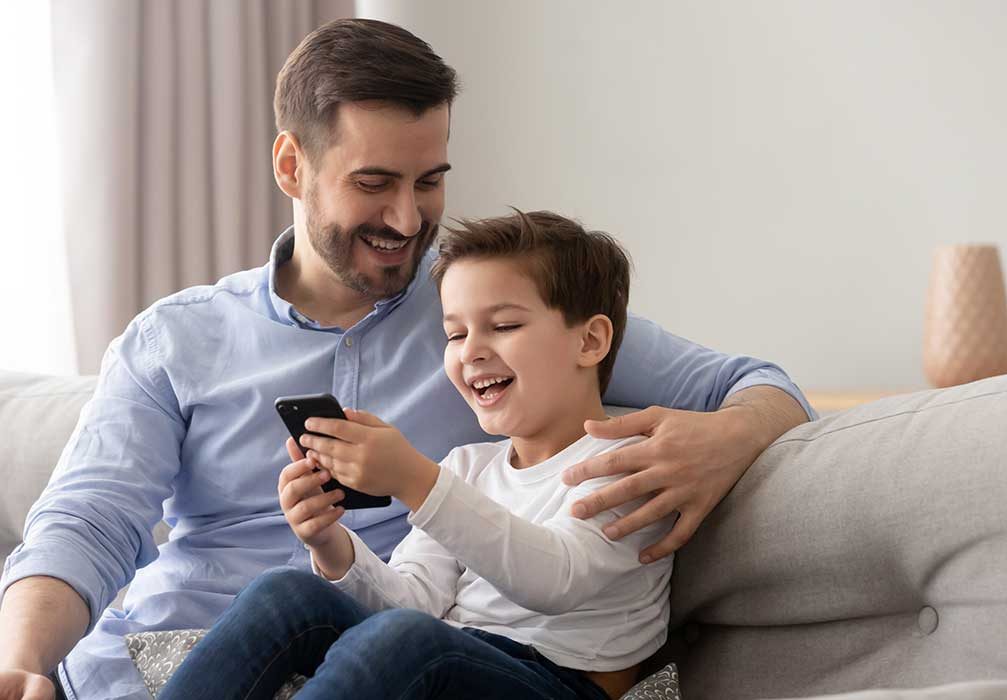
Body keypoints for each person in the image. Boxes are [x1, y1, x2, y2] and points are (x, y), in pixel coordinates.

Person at [0, 18, 812, 700]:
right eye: (375, 182)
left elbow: (752, 387)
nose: (406, 216)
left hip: (394, 664)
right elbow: (86, 521)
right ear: (293, 166)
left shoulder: (499, 305)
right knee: (297, 599)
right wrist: (22, 662)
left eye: (430, 181)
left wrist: (725, 439)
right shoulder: (174, 339)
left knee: (394, 642)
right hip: (157, 665)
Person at [162, 210, 675, 700]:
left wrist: (415, 480)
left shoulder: (630, 462)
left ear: (590, 340)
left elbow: (555, 580)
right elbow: (415, 598)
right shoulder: (469, 467)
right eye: (455, 333)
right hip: (451, 656)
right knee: (284, 593)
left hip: (560, 683)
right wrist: (329, 545)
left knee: (406, 639)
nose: (470, 350)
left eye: (503, 326)